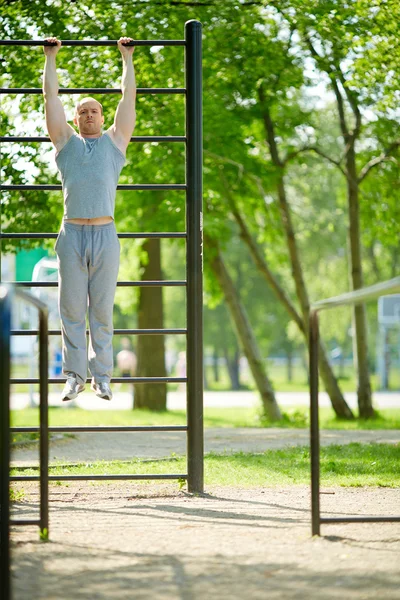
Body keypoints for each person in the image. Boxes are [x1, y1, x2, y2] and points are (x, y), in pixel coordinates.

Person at [43, 36, 136, 401]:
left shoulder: (116, 143)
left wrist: (126, 58)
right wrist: (51, 58)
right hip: (72, 235)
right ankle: (74, 376)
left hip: (105, 235)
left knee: (101, 311)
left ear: (102, 115)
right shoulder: (65, 142)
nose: (88, 115)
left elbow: (128, 99)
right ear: (76, 118)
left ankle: (103, 377)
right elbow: (51, 99)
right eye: (82, 111)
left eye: (94, 110)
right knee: (71, 311)